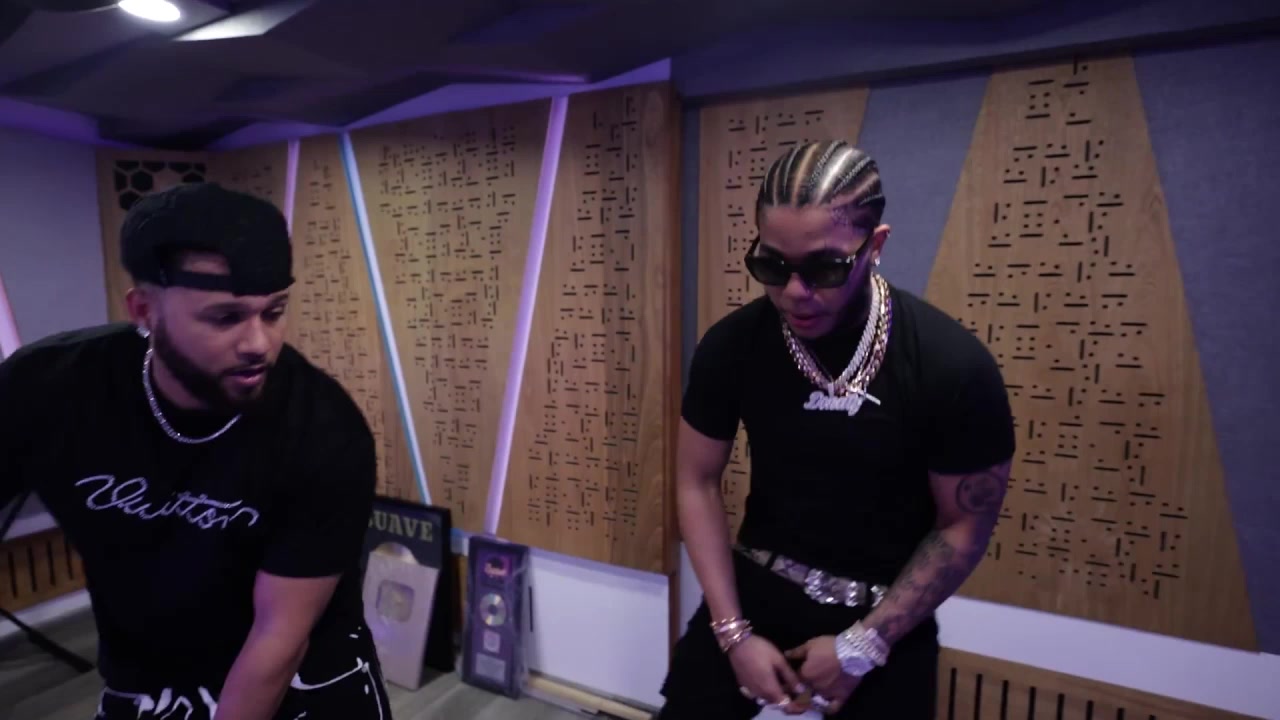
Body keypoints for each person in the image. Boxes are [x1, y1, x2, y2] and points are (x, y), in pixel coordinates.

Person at [0, 183, 392, 719]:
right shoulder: (48, 388)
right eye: (225, 317)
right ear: (144, 309)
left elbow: (278, 636)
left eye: (273, 312)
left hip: (304, 673)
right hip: (149, 673)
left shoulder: (324, 430)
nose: (259, 343)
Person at [658, 141, 1015, 719]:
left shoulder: (951, 365)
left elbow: (963, 525)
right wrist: (731, 633)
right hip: (754, 588)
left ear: (875, 246)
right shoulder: (732, 346)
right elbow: (695, 481)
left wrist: (864, 646)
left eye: (825, 268)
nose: (795, 293)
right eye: (772, 266)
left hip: (886, 612)